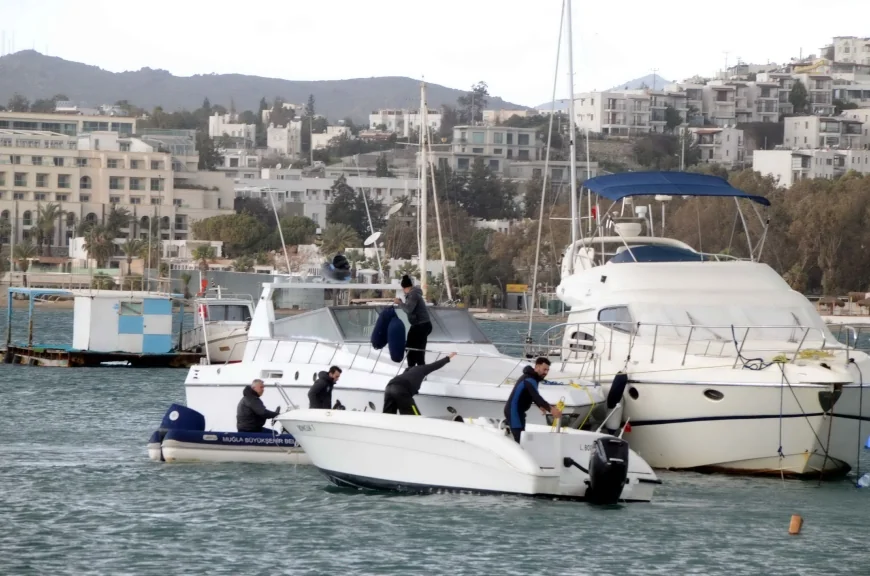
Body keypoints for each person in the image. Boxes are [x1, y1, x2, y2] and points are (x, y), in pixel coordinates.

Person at [503, 357, 563, 443]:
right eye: (544, 369)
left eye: (547, 370)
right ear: (537, 367)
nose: (546, 372)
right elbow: (536, 396)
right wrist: (551, 409)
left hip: (519, 412)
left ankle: (508, 425)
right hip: (513, 412)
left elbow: (531, 395)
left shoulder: (533, 378)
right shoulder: (529, 379)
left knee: (522, 437)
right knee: (520, 441)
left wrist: (540, 406)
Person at [383, 352, 456, 415]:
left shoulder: (407, 372)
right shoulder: (421, 368)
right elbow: (435, 365)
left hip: (388, 387)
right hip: (401, 389)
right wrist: (448, 358)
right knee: (414, 416)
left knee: (388, 416)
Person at [394, 275, 431, 368]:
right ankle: (415, 368)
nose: (403, 291)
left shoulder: (413, 295)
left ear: (406, 287)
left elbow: (408, 309)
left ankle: (415, 369)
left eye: (403, 288)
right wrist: (402, 302)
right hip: (420, 325)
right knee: (414, 348)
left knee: (415, 349)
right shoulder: (414, 294)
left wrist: (400, 303)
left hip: (421, 325)